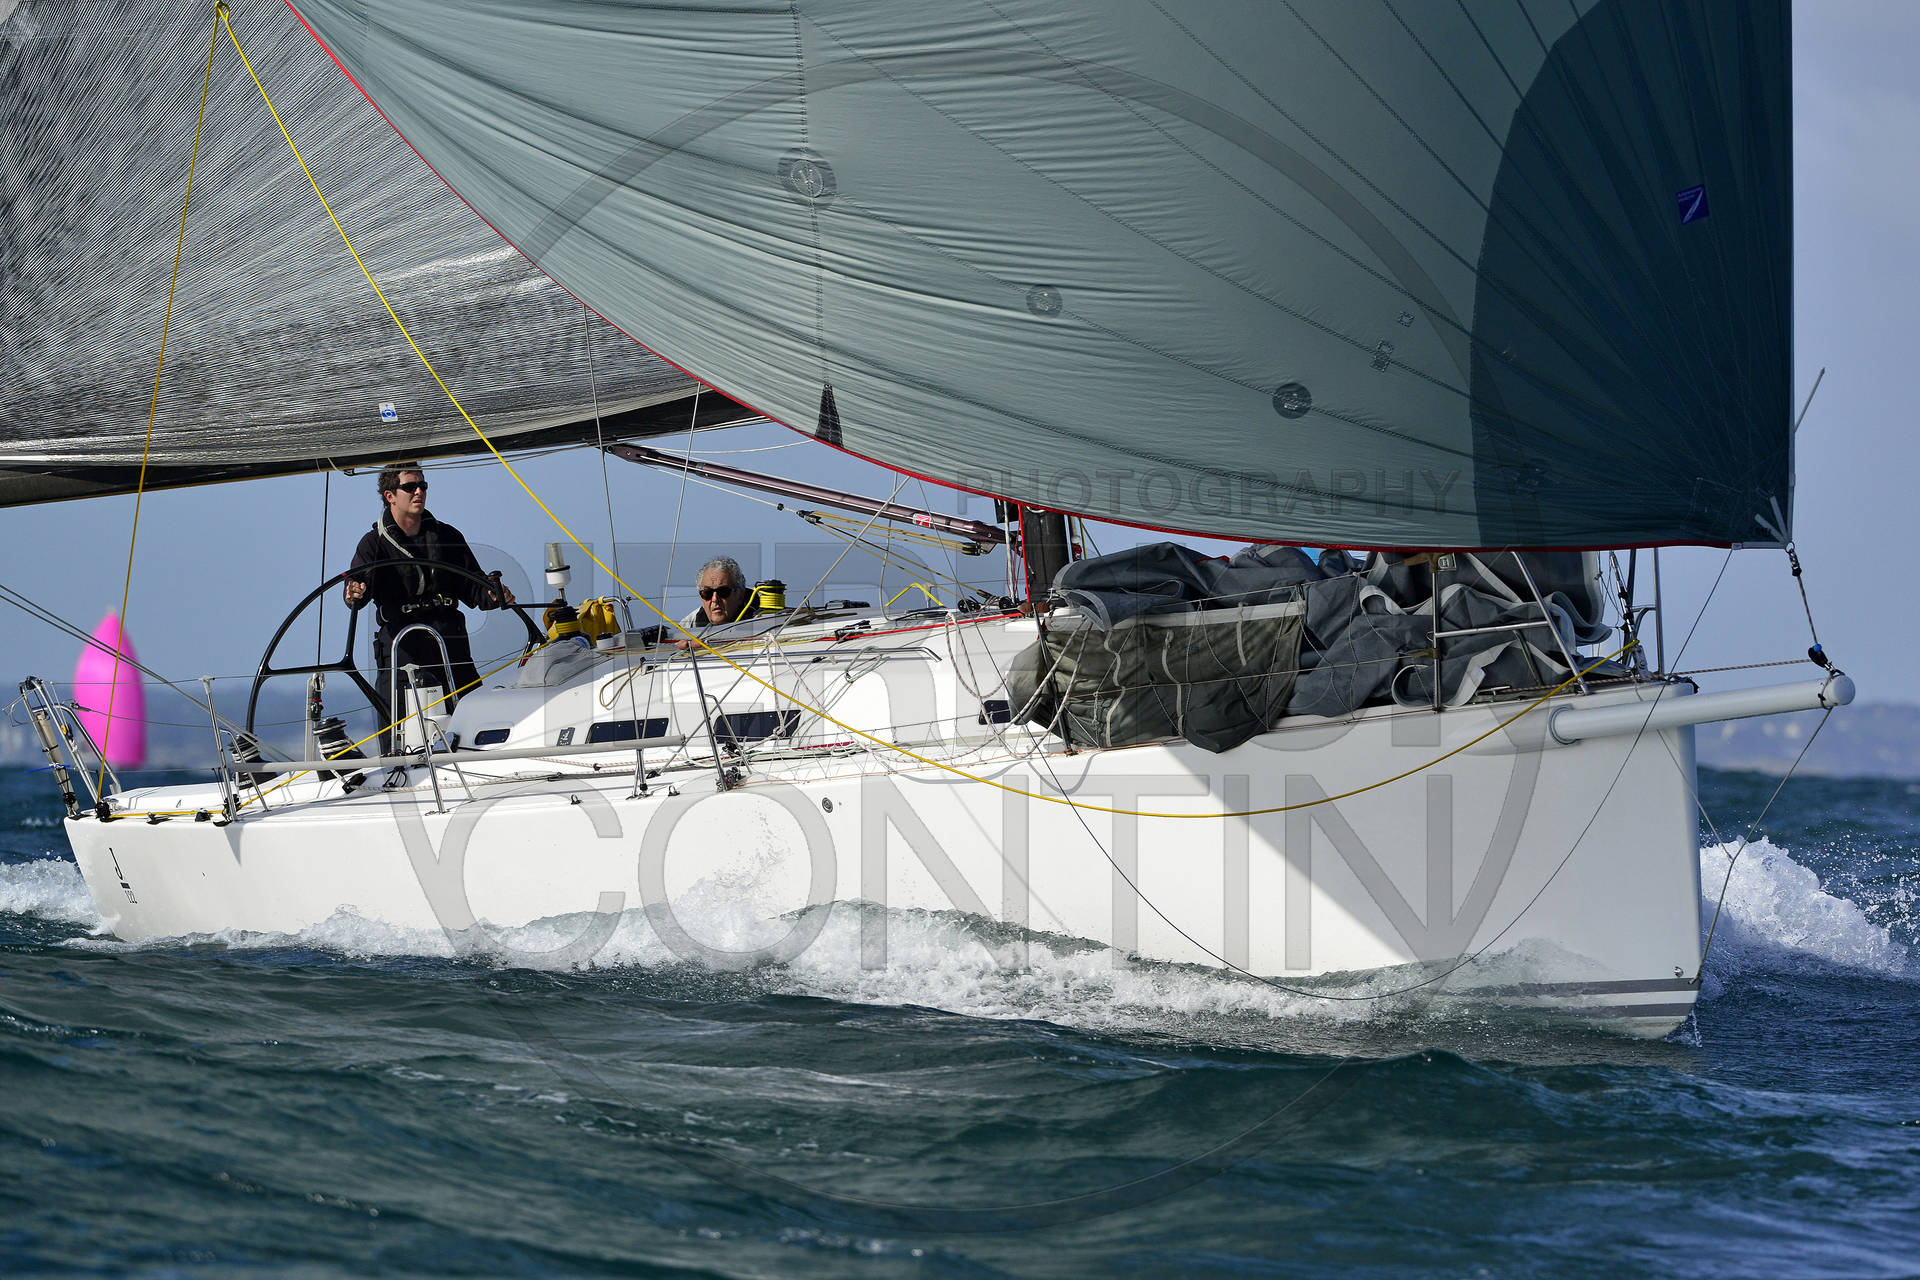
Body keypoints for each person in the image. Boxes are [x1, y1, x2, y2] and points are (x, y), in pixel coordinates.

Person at [343, 464, 514, 733]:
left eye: (422, 486)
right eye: (410, 487)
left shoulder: (448, 536)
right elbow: (358, 586)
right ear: (390, 496)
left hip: (450, 642)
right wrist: (353, 591)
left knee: (473, 721)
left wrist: (493, 594)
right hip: (402, 647)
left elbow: (473, 587)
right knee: (400, 731)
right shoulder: (373, 543)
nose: (419, 492)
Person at [668, 556, 759, 648]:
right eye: (707, 593)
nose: (714, 599)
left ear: (740, 596)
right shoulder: (691, 623)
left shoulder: (761, 621)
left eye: (723, 592)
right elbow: (669, 643)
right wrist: (684, 647)